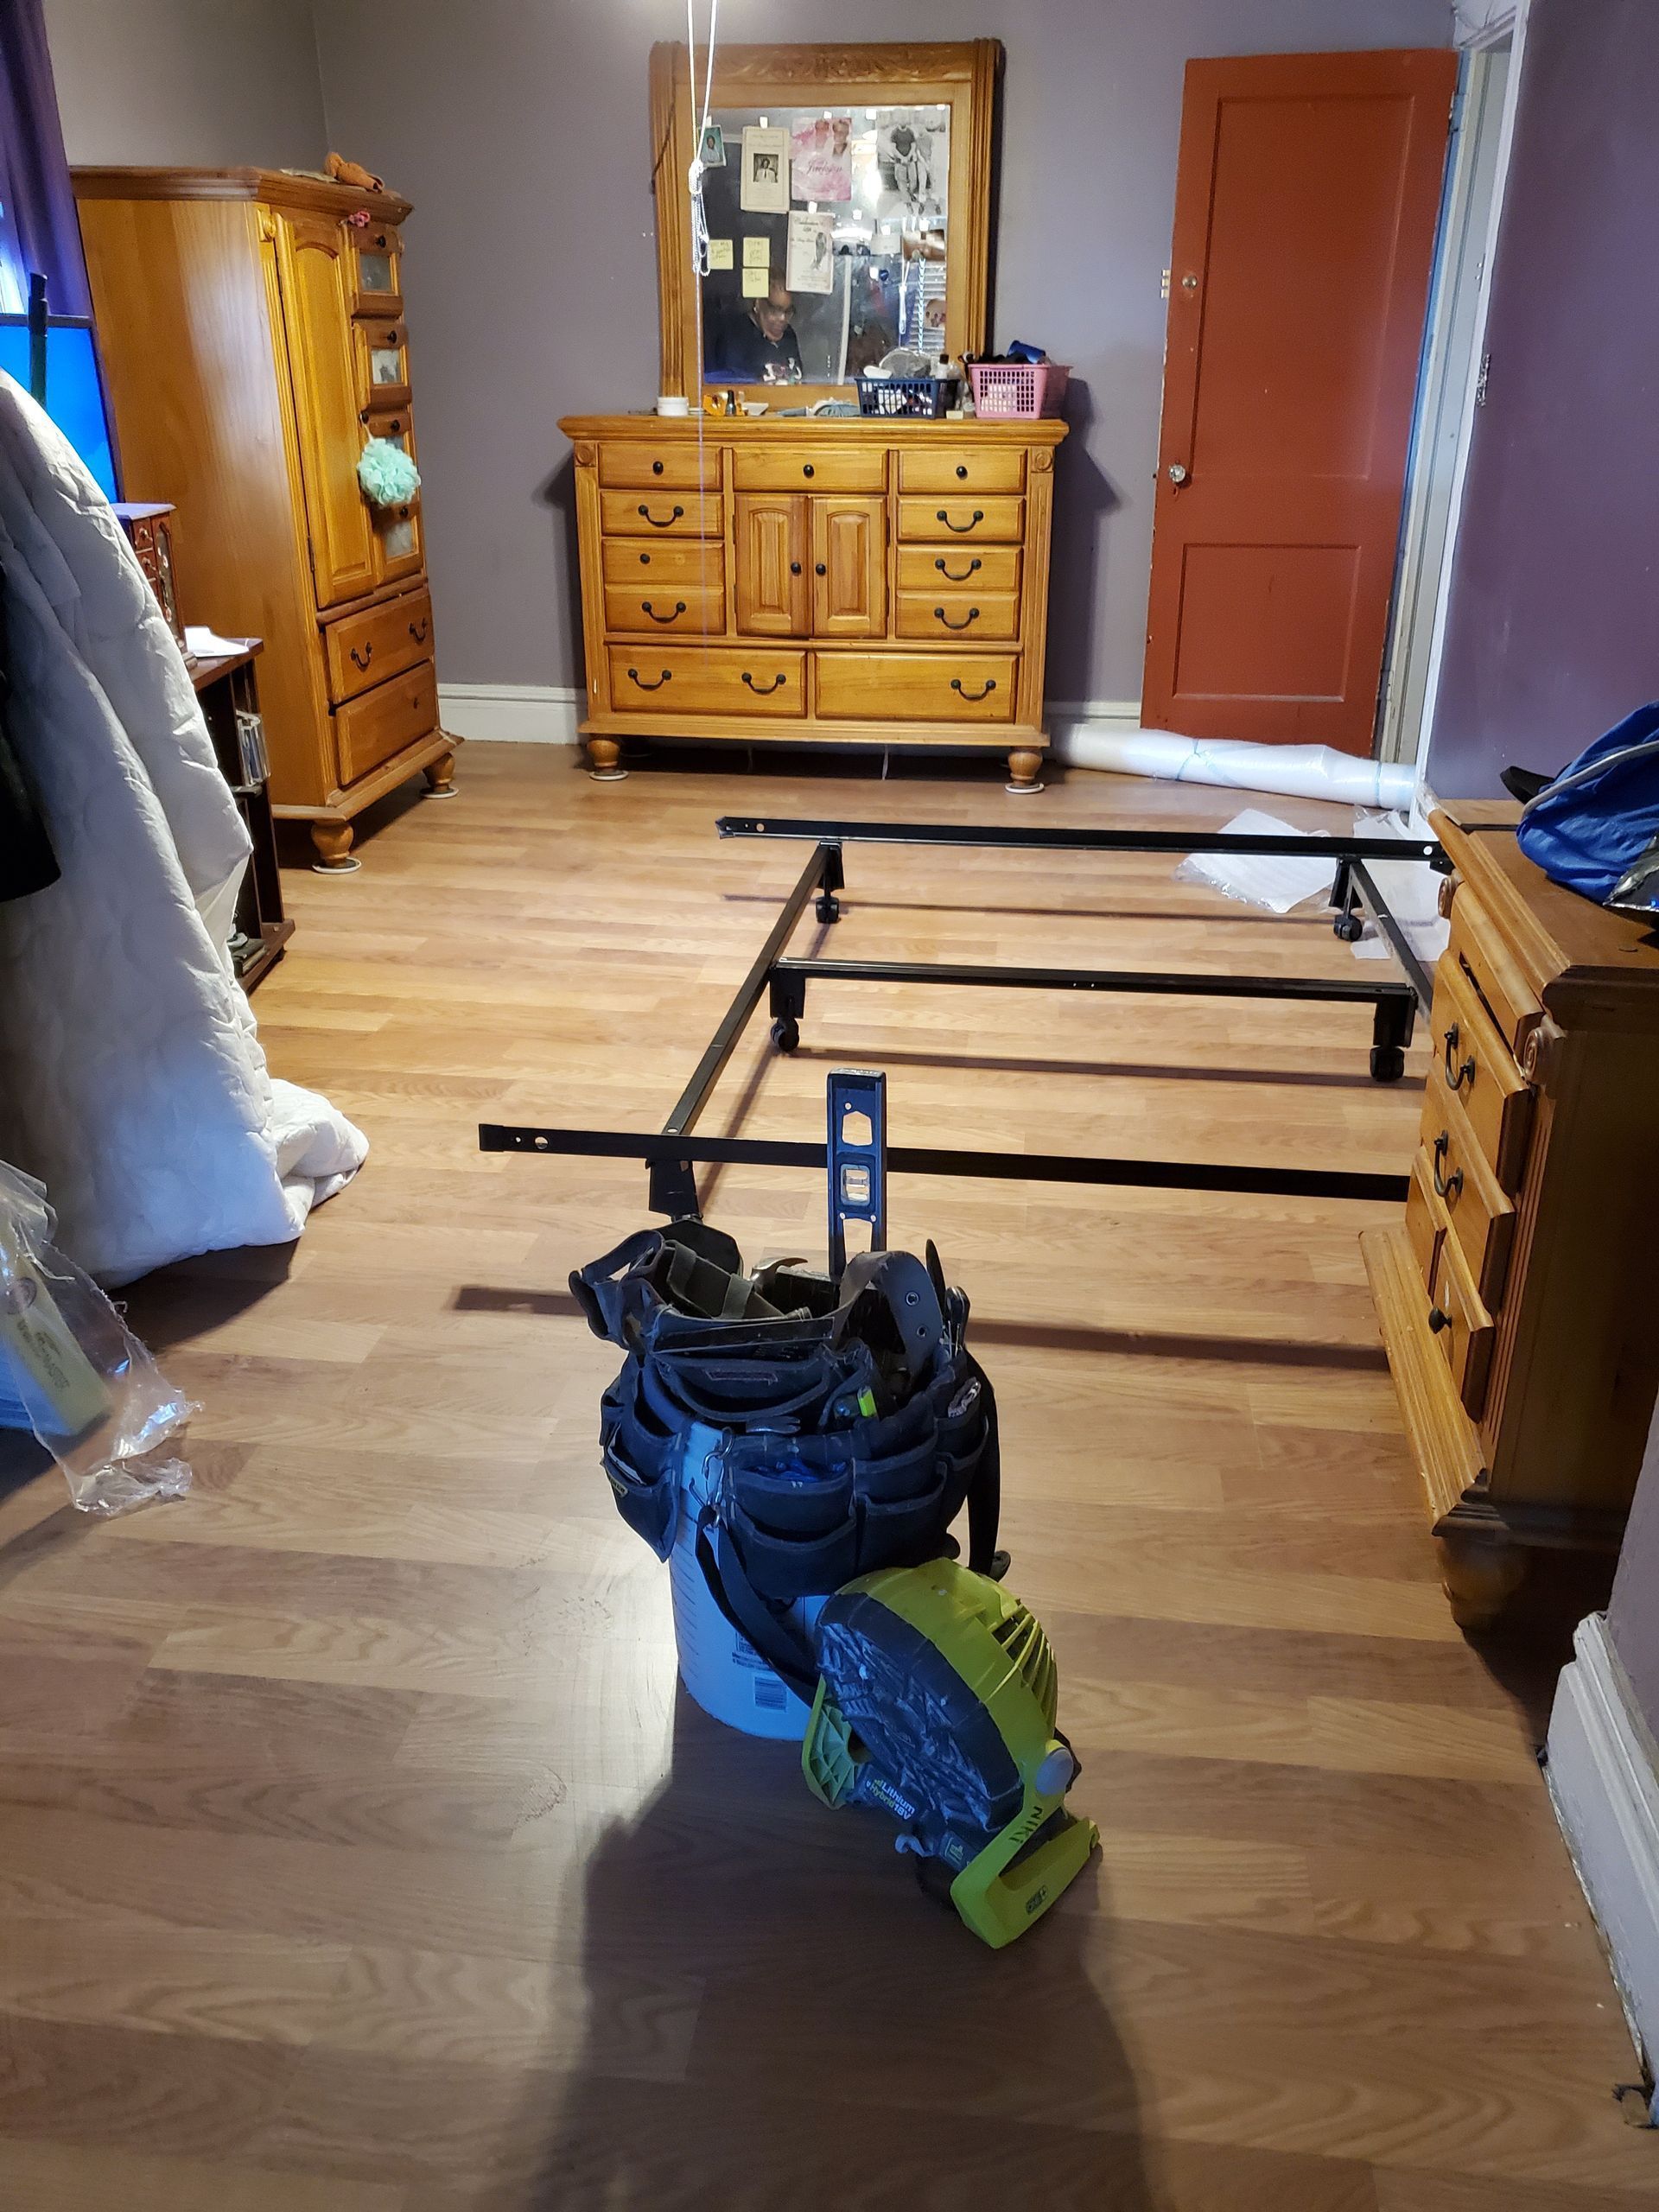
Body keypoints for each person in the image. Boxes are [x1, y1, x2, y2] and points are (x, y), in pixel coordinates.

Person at [711, 278, 803, 382]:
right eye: (775, 310)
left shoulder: (788, 335)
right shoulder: (736, 335)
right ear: (758, 304)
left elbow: (797, 379)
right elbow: (732, 388)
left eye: (788, 311)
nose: (782, 318)